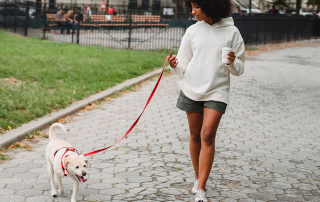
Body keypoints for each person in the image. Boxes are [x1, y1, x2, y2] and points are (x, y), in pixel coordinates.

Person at [168, 0, 245, 201]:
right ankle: (197, 177)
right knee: (194, 136)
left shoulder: (232, 32)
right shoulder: (193, 31)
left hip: (217, 91)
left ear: (211, 5)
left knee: (207, 134)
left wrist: (231, 62)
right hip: (191, 89)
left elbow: (239, 69)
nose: (192, 11)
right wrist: (174, 65)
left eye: (196, 6)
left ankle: (201, 188)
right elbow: (182, 65)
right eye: (191, 6)